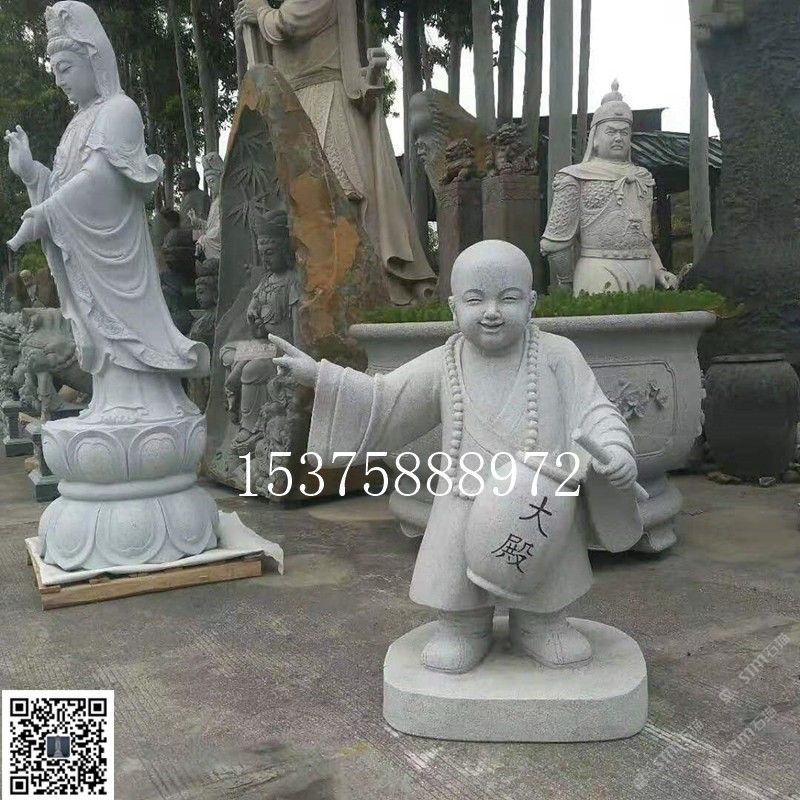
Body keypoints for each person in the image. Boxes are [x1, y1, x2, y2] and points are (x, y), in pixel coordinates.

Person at [271, 240, 641, 674]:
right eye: (475, 299)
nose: (491, 312)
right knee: (456, 577)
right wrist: (320, 376)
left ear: (532, 303)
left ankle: (540, 624)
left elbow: (594, 410)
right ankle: (464, 628)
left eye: (508, 299)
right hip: (464, 493)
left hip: (539, 498)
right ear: (453, 308)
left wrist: (614, 448)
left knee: (546, 572)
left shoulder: (558, 355)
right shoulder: (444, 362)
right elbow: (385, 398)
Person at [5, 0, 207, 412]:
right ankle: (110, 403)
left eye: (66, 68)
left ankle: (149, 405)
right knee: (101, 350)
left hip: (117, 262)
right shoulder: (76, 124)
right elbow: (64, 186)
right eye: (55, 71)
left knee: (128, 339)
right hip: (88, 264)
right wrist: (31, 174)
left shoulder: (120, 110)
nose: (59, 80)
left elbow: (100, 179)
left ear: (93, 60)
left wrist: (47, 212)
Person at [234, 0, 436, 306]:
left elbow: (288, 24)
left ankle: (354, 285)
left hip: (324, 97)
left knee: (338, 193)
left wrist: (259, 11)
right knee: (301, 201)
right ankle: (321, 285)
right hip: (296, 101)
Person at [541, 81, 679, 295]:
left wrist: (658, 269)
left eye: (624, 133)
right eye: (611, 131)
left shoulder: (642, 177)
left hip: (644, 271)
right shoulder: (574, 177)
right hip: (598, 270)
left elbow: (642, 235)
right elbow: (555, 244)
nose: (618, 138)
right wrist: (567, 283)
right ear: (595, 138)